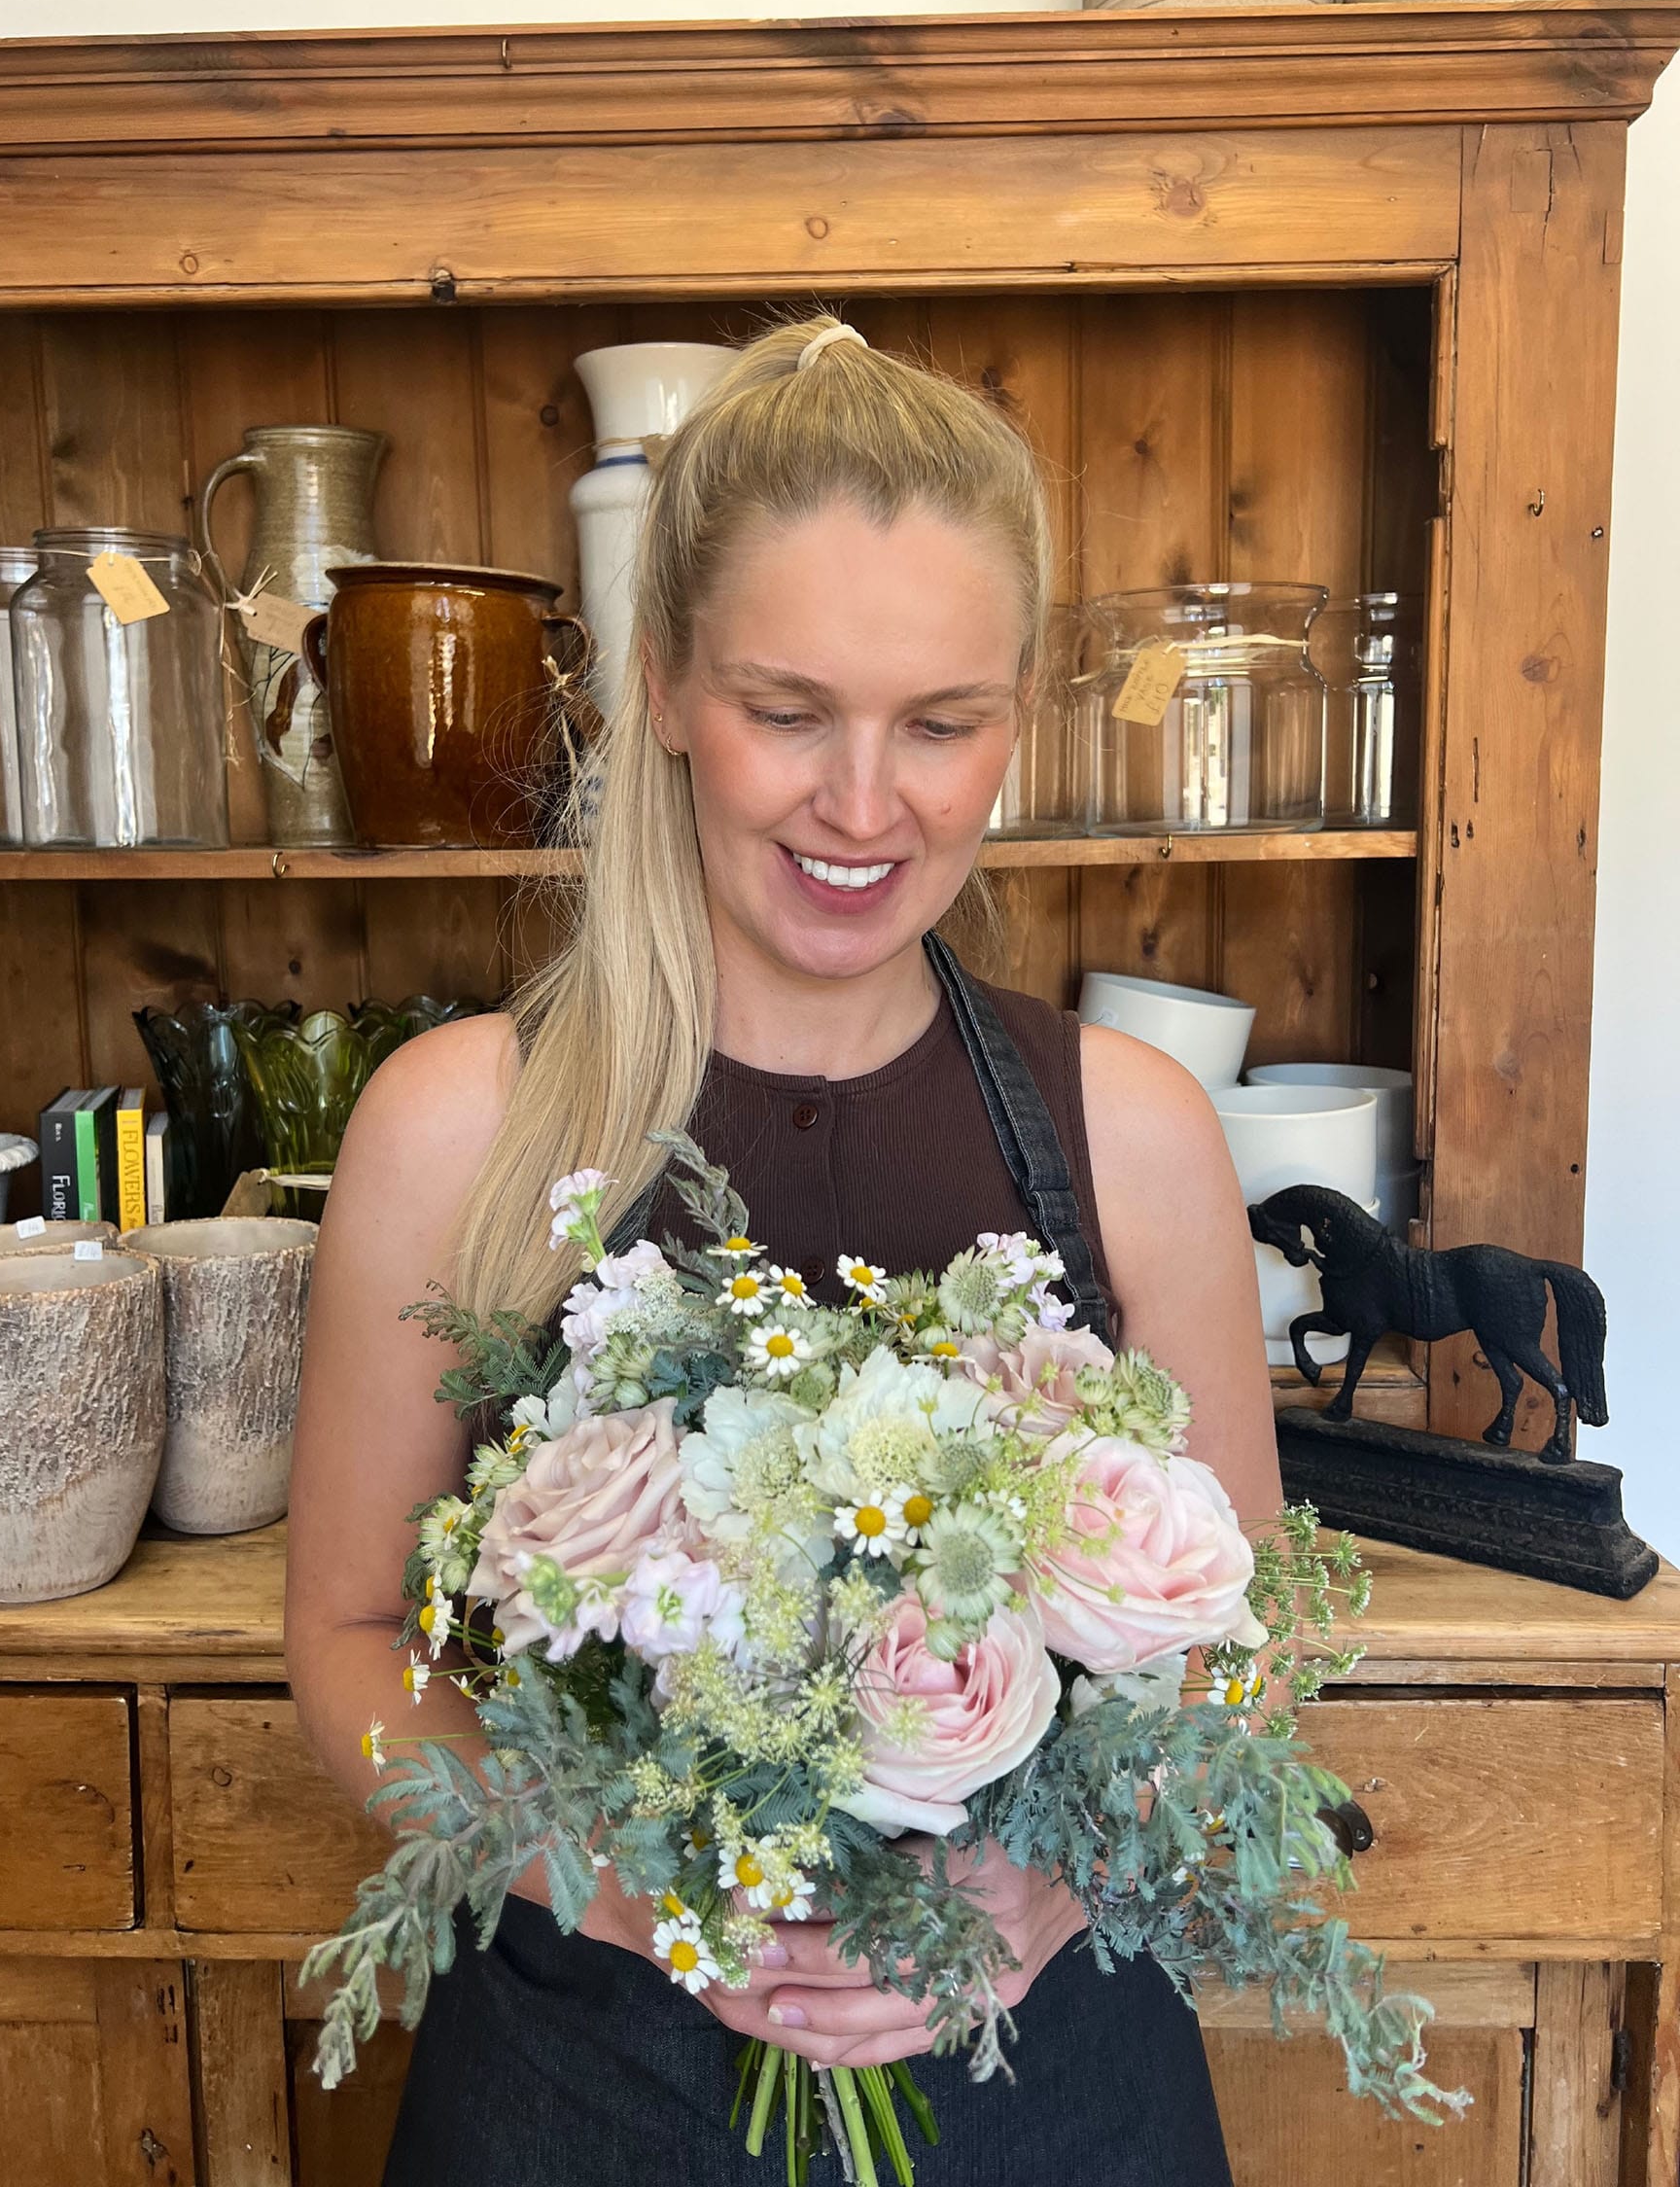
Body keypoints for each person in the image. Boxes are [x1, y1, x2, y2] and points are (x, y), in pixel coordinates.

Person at [286, 311, 1280, 2184]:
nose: (862, 802)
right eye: (788, 708)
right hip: (584, 2092)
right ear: (661, 685)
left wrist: (1047, 1884)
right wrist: (638, 1889)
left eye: (939, 722)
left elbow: (1237, 1651)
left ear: (1018, 720)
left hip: (1046, 2100)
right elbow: (343, 1636)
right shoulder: (457, 1131)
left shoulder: (1134, 1137)